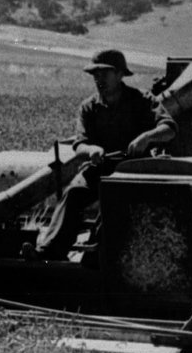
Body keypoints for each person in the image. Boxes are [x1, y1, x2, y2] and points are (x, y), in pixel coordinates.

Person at [35, 50, 168, 259]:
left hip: (133, 170)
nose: (99, 79)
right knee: (74, 193)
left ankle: (99, 254)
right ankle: (49, 251)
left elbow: (169, 128)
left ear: (120, 74)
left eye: (104, 74)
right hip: (99, 168)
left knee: (116, 201)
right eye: (95, 75)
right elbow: (80, 144)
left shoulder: (142, 100)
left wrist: (146, 138)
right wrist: (91, 150)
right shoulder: (88, 107)